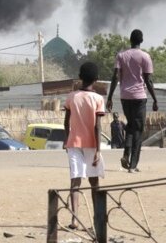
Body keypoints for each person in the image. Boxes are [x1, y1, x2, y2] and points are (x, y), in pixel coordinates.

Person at [106, 29, 158, 173]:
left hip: (125, 97)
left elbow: (115, 77)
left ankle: (126, 155)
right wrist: (155, 99)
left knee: (130, 126)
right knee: (138, 131)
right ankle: (133, 165)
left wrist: (109, 97)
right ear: (141, 41)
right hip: (139, 98)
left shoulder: (121, 55)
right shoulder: (145, 57)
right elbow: (148, 80)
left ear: (130, 40)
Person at [63, 62, 105, 230]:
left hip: (73, 143)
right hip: (92, 144)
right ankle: (97, 218)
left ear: (80, 77)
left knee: (75, 181)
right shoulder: (98, 99)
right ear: (96, 79)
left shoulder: (71, 97)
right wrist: (99, 150)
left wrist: (66, 140)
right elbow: (97, 126)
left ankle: (74, 219)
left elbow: (66, 122)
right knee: (94, 183)